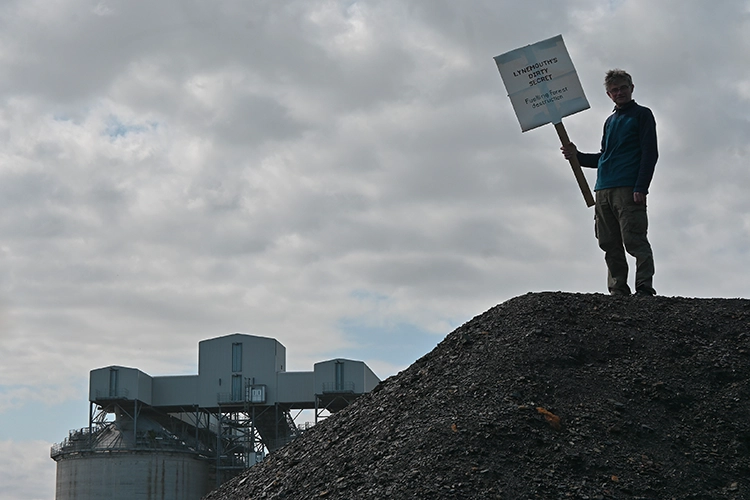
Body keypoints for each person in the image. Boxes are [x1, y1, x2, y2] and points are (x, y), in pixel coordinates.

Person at [561, 69, 658, 296]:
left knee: (634, 239)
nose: (619, 92)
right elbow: (604, 157)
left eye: (623, 87)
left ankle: (644, 287)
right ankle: (617, 289)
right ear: (608, 94)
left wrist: (641, 187)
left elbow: (650, 153)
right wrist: (577, 156)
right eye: (614, 90)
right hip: (602, 189)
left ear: (631, 88)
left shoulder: (642, 115)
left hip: (627, 188)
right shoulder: (610, 121)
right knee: (608, 243)